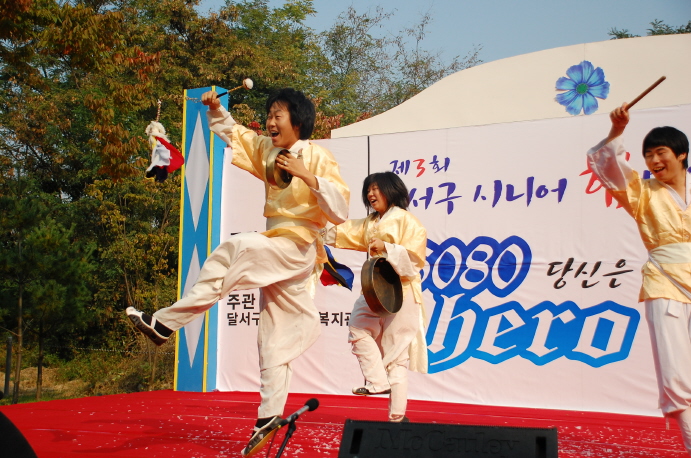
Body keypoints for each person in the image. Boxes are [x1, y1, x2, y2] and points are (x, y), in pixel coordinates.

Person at [126, 88, 349, 456]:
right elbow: (234, 132)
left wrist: (308, 176)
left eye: (279, 115)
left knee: (235, 248)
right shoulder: (267, 149)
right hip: (280, 245)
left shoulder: (318, 157)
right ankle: (269, 417)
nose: (271, 121)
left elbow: (339, 210)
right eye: (270, 115)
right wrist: (215, 109)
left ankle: (165, 324)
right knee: (273, 340)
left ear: (299, 121)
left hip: (298, 245)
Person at [587, 102, 691, 455]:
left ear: (681, 154)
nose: (653, 161)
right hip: (666, 284)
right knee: (678, 377)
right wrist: (617, 131)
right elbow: (606, 164)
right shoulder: (643, 192)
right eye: (648, 155)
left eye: (660, 152)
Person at [325, 171, 427, 422]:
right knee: (358, 328)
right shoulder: (370, 223)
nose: (371, 194)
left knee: (395, 356)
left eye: (376, 189)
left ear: (391, 190)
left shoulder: (407, 221)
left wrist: (389, 248)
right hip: (374, 289)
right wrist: (310, 232)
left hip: (401, 291)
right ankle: (377, 381)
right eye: (368, 190)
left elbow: (415, 261)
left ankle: (397, 418)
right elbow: (342, 232)